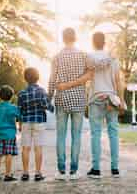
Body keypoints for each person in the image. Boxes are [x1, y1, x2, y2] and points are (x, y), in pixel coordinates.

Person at [57, 32, 126, 179]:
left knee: (96, 134)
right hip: (112, 98)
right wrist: (122, 100)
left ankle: (96, 169)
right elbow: (118, 81)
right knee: (113, 133)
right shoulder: (113, 59)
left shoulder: (88, 57)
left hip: (95, 98)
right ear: (104, 42)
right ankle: (115, 169)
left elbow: (87, 77)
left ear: (93, 42)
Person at [48, 27, 94, 180]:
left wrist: (49, 97)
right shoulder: (83, 55)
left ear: (63, 38)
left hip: (61, 99)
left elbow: (52, 80)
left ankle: (61, 171)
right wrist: (75, 83)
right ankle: (74, 171)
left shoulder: (56, 57)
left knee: (60, 136)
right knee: (76, 136)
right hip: (79, 99)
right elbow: (90, 75)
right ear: (75, 38)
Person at [18, 67, 54, 182]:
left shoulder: (22, 93)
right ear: (37, 78)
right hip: (39, 121)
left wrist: (19, 124)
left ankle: (25, 173)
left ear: (25, 78)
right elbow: (46, 105)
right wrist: (52, 107)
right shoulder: (41, 91)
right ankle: (38, 173)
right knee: (38, 148)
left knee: (25, 148)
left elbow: (19, 110)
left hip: (26, 122)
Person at [0, 85, 20, 182]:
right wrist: (20, 126)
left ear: (0, 96)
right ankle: (7, 174)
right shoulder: (13, 108)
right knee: (8, 154)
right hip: (10, 135)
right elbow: (20, 117)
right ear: (11, 96)